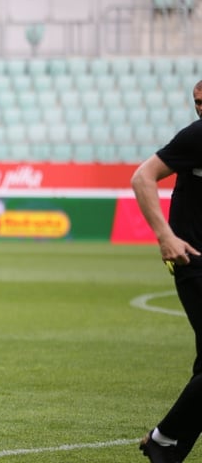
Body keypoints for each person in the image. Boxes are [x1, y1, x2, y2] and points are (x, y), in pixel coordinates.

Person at [131, 95, 202, 462]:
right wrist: (165, 236)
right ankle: (165, 439)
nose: (200, 107)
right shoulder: (197, 136)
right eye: (196, 101)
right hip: (193, 262)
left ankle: (169, 449)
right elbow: (142, 177)